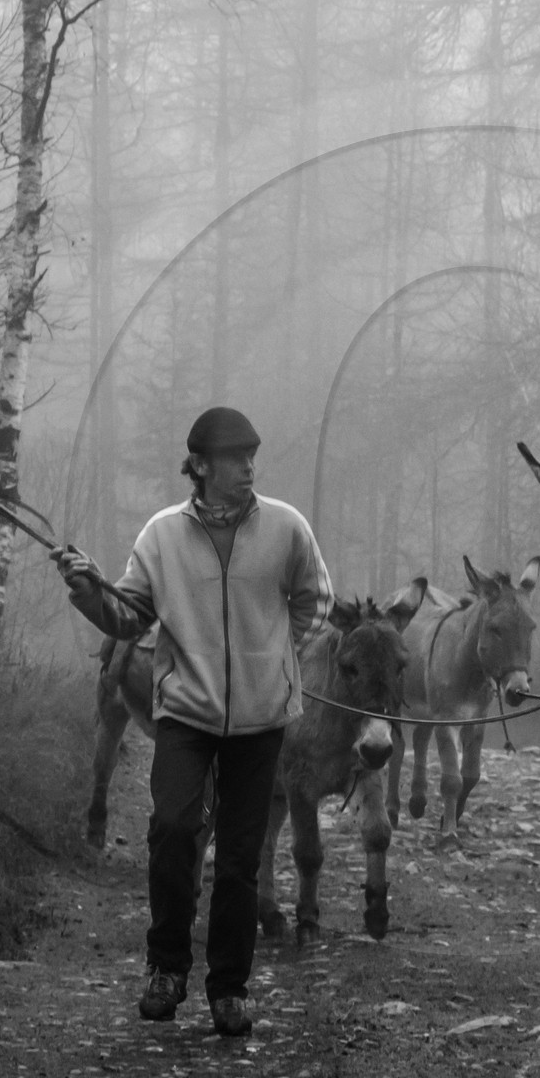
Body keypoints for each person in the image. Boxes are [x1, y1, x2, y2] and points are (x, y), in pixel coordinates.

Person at [52, 407, 333, 1031]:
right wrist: (87, 587)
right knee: (174, 832)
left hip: (260, 723)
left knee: (238, 856)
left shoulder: (287, 528)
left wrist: (279, 661)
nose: (249, 468)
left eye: (253, 456)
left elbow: (318, 600)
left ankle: (229, 989)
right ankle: (166, 968)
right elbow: (128, 616)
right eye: (236, 458)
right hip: (185, 714)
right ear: (201, 466)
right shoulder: (161, 536)